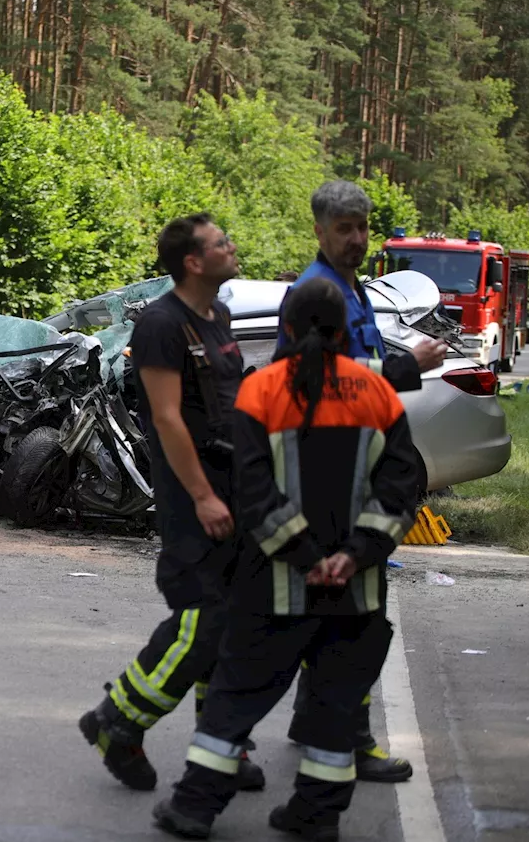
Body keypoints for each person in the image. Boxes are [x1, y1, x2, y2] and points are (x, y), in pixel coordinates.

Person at [154, 276, 420, 841]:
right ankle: (316, 816)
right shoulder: (378, 394)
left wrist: (304, 556)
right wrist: (352, 556)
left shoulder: (262, 391)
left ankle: (194, 807)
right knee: (334, 708)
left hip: (273, 586)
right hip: (356, 593)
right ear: (347, 332)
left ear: (287, 330)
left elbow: (251, 491)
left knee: (234, 699)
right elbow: (401, 488)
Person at [79, 213, 264, 793]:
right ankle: (118, 721)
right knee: (204, 618)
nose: (232, 248)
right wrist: (204, 496)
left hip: (231, 486)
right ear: (192, 260)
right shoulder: (163, 323)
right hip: (193, 494)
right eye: (221, 243)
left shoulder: (218, 317)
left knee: (234, 623)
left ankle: (221, 746)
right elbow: (165, 417)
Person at [278, 180, 446, 784]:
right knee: (357, 618)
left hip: (355, 468)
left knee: (335, 611)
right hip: (329, 476)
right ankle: (352, 741)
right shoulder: (317, 290)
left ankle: (313, 721)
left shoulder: (351, 289)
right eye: (344, 228)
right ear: (320, 230)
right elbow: (311, 378)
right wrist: (406, 365)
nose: (356, 239)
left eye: (363, 227)